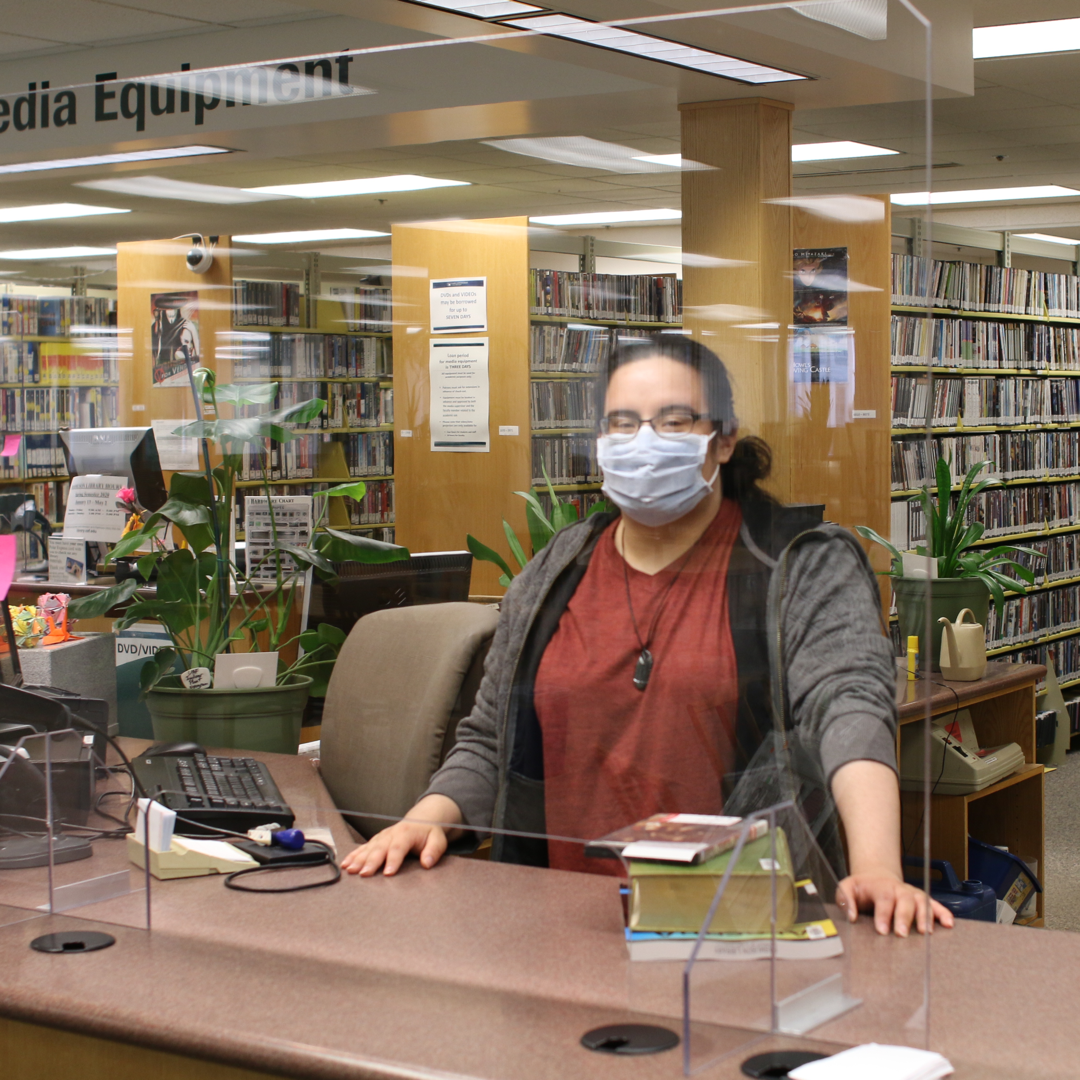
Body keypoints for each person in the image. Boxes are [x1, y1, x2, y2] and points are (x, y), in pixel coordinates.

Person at [342, 336, 953, 937]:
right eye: (623, 423)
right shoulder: (559, 569)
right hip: (562, 928)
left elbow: (849, 705)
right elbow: (488, 741)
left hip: (739, 926)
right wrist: (424, 820)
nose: (645, 443)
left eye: (675, 421)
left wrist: (877, 868)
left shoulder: (797, 564)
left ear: (724, 439)